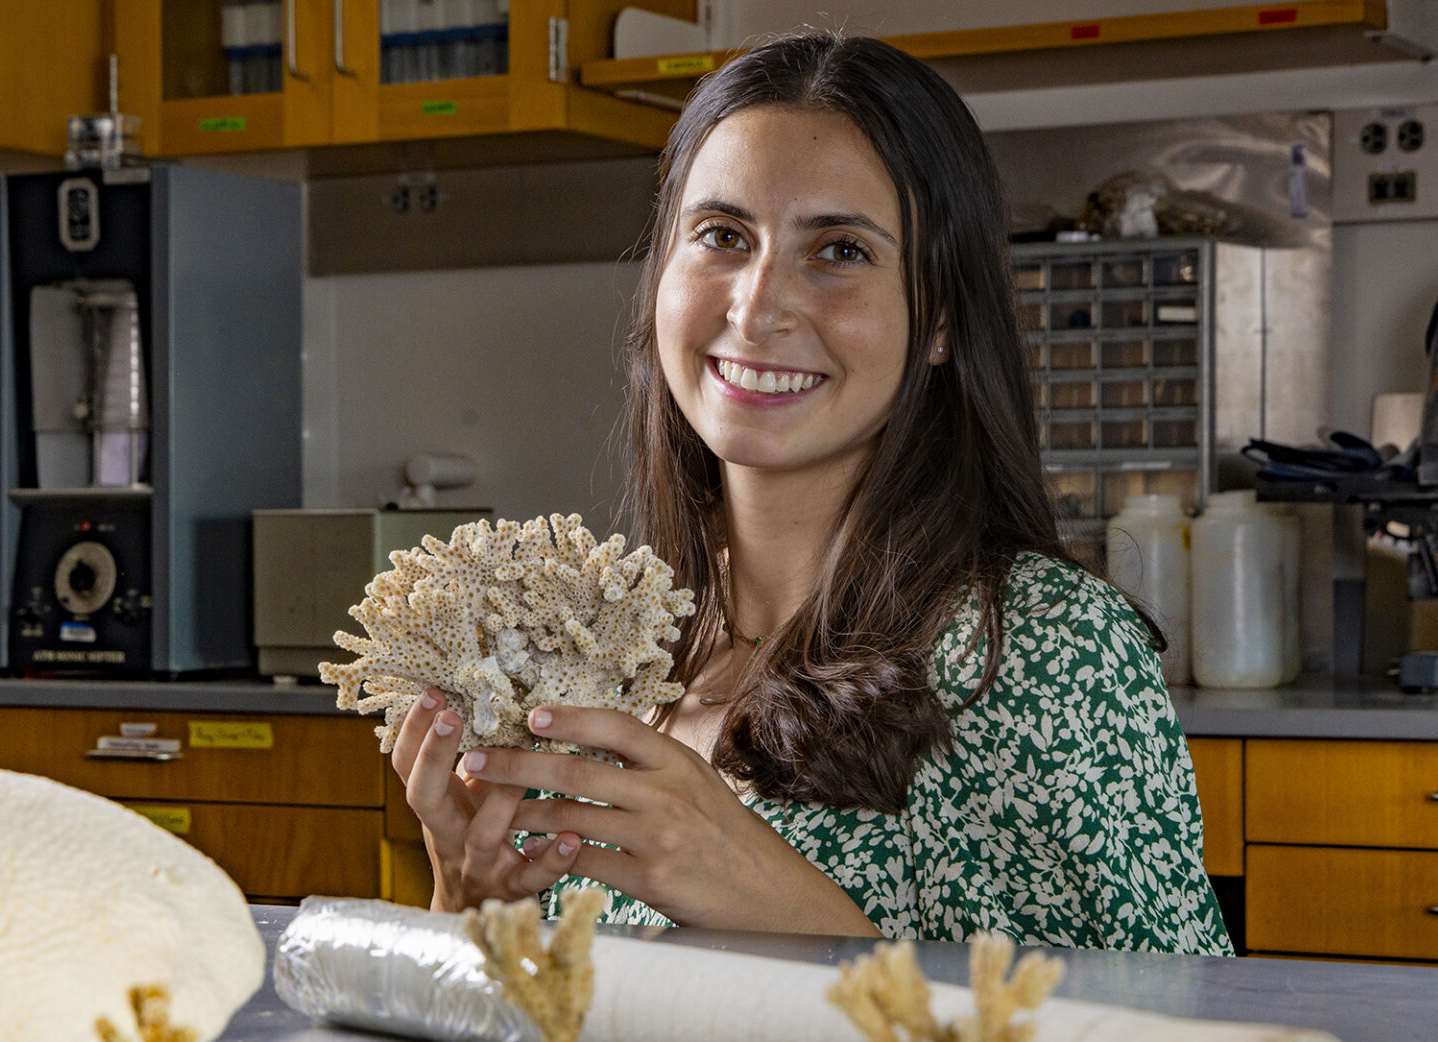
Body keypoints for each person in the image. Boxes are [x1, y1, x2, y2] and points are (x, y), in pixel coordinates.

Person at [386, 32, 1231, 955]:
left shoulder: (1041, 653)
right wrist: (472, 905)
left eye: (838, 249)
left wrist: (761, 887)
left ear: (941, 319)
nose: (755, 308)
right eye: (721, 237)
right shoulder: (601, 666)